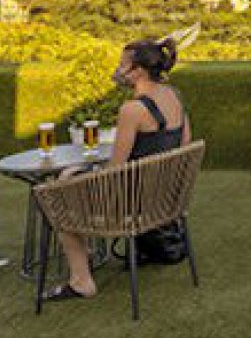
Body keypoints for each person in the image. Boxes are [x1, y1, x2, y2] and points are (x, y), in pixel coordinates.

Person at [45, 38, 191, 301]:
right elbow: (184, 146)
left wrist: (75, 174)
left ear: (138, 71)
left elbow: (115, 172)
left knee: (57, 193)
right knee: (70, 180)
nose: (118, 70)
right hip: (166, 201)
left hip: (132, 206)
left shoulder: (132, 110)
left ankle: (81, 280)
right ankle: (87, 253)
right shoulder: (174, 97)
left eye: (123, 65)